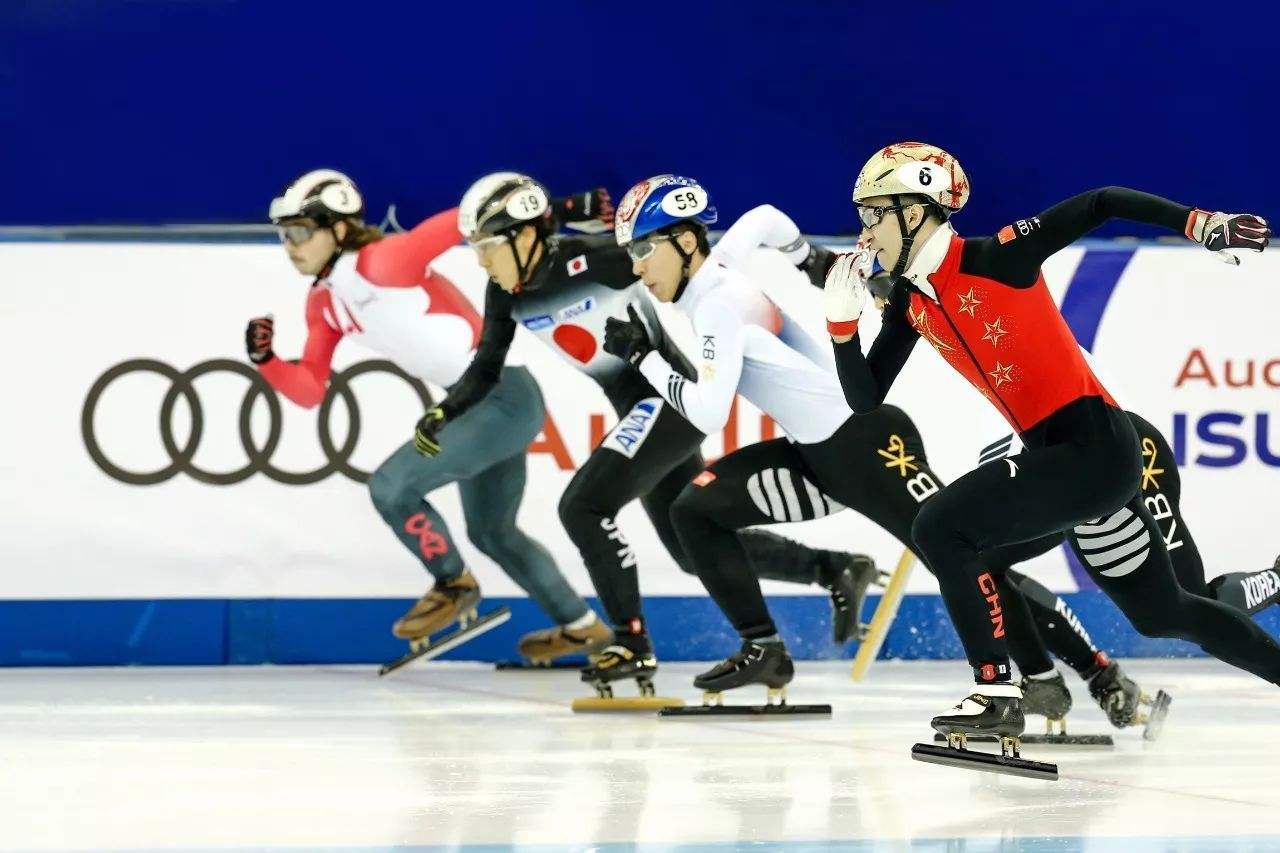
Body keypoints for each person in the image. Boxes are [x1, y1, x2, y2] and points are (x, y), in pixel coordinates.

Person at [825, 141, 1277, 766]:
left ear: (916, 210)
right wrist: (842, 329)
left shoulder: (999, 256)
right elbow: (866, 400)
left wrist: (1201, 224)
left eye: (873, 213)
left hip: (1093, 446)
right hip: (1071, 467)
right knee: (1165, 612)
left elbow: (1101, 202)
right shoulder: (909, 302)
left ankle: (996, 688)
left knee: (940, 525)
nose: (865, 231)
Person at [418, 172, 874, 694]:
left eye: (487, 247)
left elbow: (659, 253)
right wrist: (444, 412)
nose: (480, 261)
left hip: (668, 400)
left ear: (525, 236)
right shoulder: (504, 293)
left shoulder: (591, 259)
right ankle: (833, 568)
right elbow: (485, 368)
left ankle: (631, 645)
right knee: (687, 549)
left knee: (582, 508)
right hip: (644, 411)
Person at [605, 175, 945, 702]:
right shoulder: (718, 269)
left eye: (645, 249)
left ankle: (1084, 667)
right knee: (692, 510)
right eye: (632, 252)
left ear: (687, 242)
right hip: (818, 455)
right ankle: (764, 648)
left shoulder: (714, 307)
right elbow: (764, 215)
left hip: (862, 447)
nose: (637, 267)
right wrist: (808, 259)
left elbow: (708, 412)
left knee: (959, 553)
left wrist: (642, 358)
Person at [248, 169, 608, 659]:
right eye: (282, 234)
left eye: (298, 231)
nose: (289, 245)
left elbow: (463, 221)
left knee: (392, 487)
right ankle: (583, 627)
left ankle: (453, 584)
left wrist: (559, 210)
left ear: (336, 227)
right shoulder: (322, 303)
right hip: (477, 404)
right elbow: (311, 390)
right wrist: (267, 363)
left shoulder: (381, 262)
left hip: (503, 397)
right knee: (492, 532)